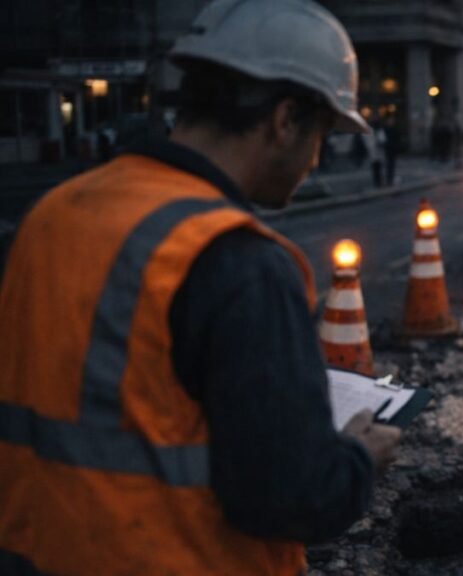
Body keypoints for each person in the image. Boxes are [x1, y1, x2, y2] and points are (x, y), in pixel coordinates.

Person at [0, 1, 401, 574]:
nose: (317, 157)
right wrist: (360, 457)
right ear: (285, 119)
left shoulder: (53, 214)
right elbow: (294, 499)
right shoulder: (237, 260)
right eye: (321, 133)